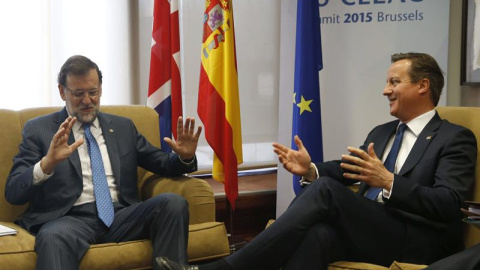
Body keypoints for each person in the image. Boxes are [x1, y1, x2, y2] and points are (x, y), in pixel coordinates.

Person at [156, 52, 477, 270]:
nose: (385, 90)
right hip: (373, 230)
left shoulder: (454, 137)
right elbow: (350, 168)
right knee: (318, 235)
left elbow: (449, 203)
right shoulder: (383, 131)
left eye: (394, 82)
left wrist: (390, 182)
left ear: (423, 86)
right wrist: (309, 169)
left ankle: (226, 267)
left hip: (416, 240)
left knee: (324, 191)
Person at [5, 55, 202, 270]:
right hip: (69, 220)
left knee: (172, 203)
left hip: (121, 216)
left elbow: (162, 163)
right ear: (62, 92)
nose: (87, 101)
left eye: (93, 92)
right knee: (52, 236)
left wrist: (184, 157)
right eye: (78, 94)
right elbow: (14, 192)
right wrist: (46, 164)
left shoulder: (123, 126)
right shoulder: (39, 130)